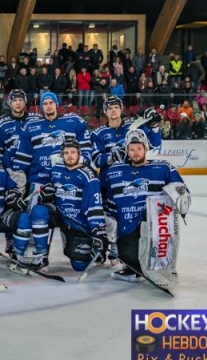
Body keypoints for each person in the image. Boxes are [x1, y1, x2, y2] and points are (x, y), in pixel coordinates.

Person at [104, 129, 190, 283]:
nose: (135, 153)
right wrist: (110, 222)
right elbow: (111, 202)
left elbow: (181, 190)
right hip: (127, 228)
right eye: (131, 149)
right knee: (130, 261)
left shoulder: (163, 168)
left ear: (146, 149)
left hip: (155, 228)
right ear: (126, 150)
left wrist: (182, 197)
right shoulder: (115, 171)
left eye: (139, 148)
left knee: (153, 220)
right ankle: (134, 266)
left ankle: (163, 265)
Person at [91, 96, 163, 263]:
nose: (113, 110)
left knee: (126, 216)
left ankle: (122, 248)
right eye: (110, 108)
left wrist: (154, 126)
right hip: (108, 182)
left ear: (121, 109)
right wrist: (110, 157)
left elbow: (154, 144)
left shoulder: (133, 127)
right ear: (105, 111)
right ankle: (105, 247)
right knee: (107, 218)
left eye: (116, 107)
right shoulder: (98, 133)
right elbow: (95, 159)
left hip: (131, 180)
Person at [26, 138, 106, 273]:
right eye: (66, 153)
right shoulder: (56, 169)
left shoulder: (88, 176)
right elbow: (49, 190)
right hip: (60, 214)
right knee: (39, 211)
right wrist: (46, 194)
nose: (69, 156)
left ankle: (93, 248)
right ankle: (41, 255)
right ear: (61, 155)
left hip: (78, 222)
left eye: (73, 152)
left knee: (79, 266)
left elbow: (94, 206)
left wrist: (98, 230)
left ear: (79, 154)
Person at [13, 91, 91, 194]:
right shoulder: (30, 126)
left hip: (67, 179)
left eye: (51, 102)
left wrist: (81, 162)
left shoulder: (73, 121)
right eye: (45, 103)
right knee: (37, 210)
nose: (48, 106)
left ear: (56, 104)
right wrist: (19, 181)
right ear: (41, 107)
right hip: (38, 181)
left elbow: (85, 150)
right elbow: (23, 157)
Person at [0, 89, 36, 169]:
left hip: (33, 167)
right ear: (10, 103)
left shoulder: (35, 119)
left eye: (21, 100)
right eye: (14, 100)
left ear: (25, 102)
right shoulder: (0, 123)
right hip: (10, 169)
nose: (18, 103)